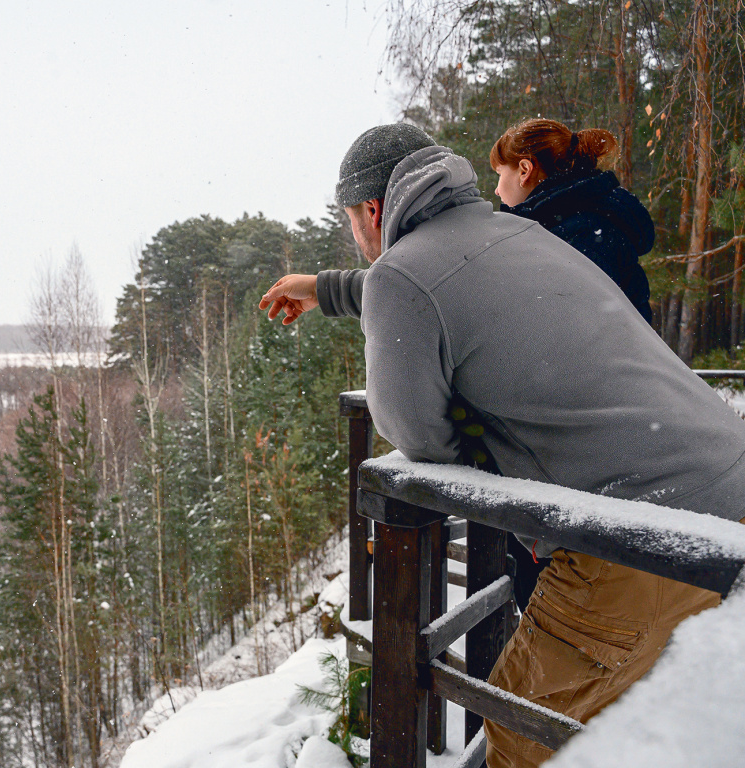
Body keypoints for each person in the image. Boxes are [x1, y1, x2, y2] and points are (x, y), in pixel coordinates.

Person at [258, 123, 745, 768]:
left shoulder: (402, 272)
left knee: (519, 732)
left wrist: (477, 439)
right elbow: (430, 285)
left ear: (373, 209)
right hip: (725, 496)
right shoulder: (518, 231)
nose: (354, 235)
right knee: (628, 727)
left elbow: (414, 432)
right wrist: (324, 288)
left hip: (642, 535)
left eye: (350, 219)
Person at [490, 118, 654, 323]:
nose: (497, 190)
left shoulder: (575, 235)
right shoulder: (581, 221)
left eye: (499, 174)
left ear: (524, 170)